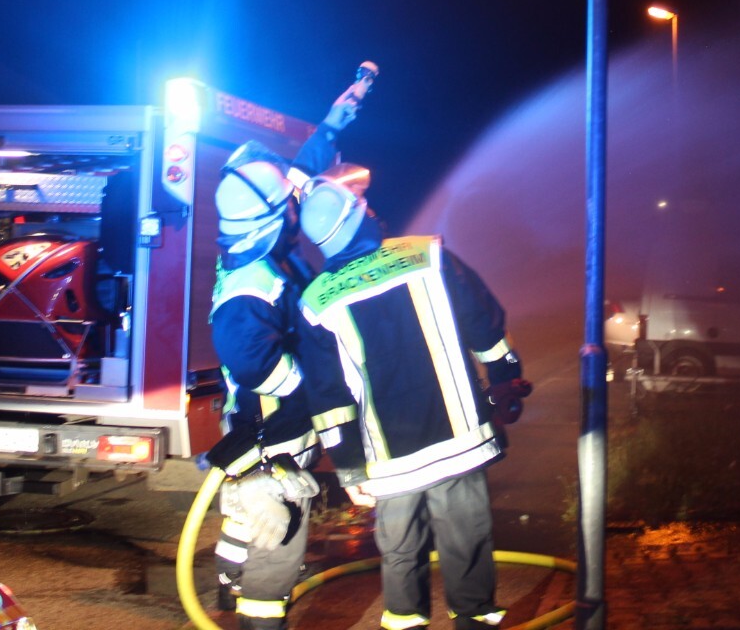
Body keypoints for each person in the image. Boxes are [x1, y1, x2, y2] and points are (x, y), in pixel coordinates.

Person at [295, 163, 532, 630]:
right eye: (363, 206)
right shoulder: (429, 255)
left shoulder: (316, 302)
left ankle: (406, 621)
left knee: (400, 553)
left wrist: (348, 467)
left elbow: (328, 397)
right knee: (467, 543)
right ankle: (474, 620)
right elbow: (485, 325)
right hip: (459, 442)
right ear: (360, 216)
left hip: (388, 461)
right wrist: (506, 377)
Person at [203, 82, 368, 629]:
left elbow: (299, 172)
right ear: (276, 218)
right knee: (279, 539)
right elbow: (250, 361)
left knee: (245, 525)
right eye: (291, 206)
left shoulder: (256, 239)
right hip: (273, 441)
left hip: (263, 429)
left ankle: (229, 581)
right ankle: (258, 610)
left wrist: (338, 116)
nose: (299, 206)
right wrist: (308, 383)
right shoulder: (249, 291)